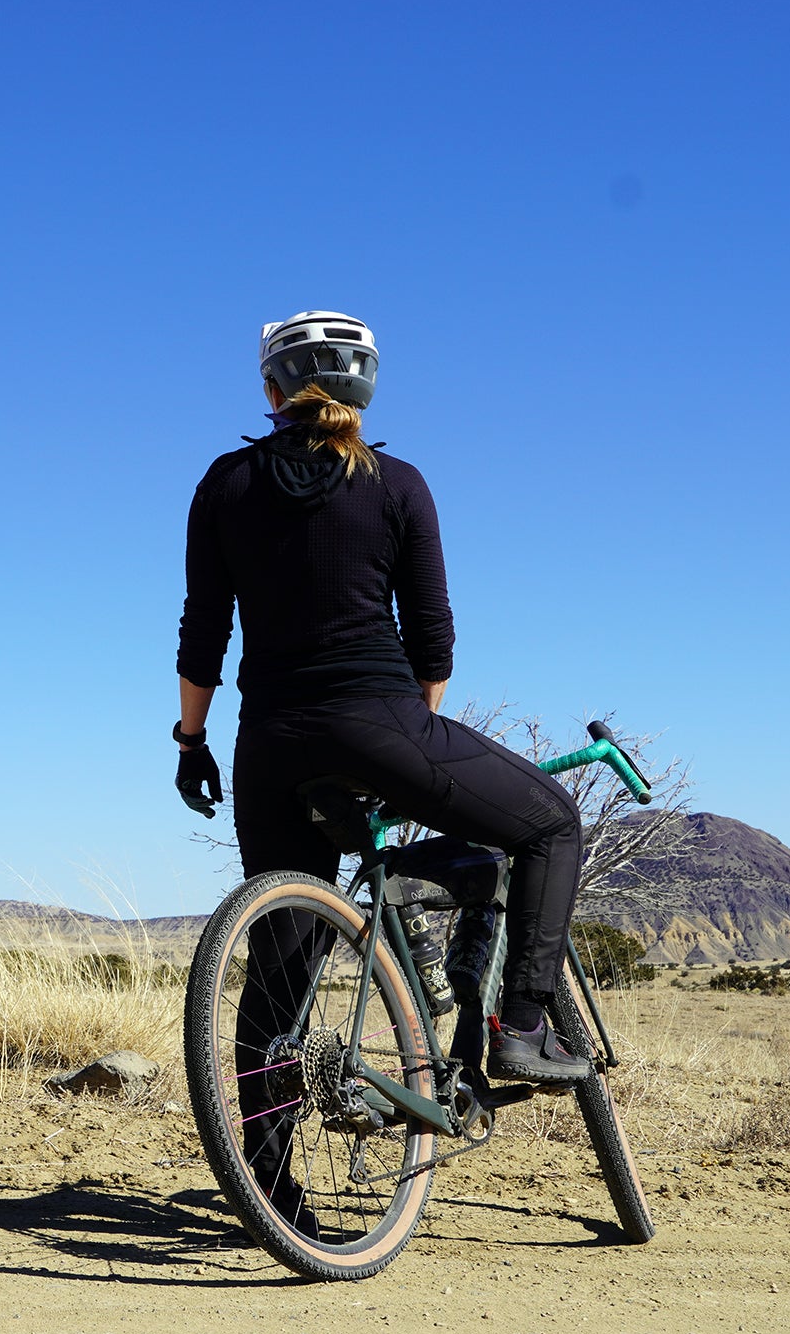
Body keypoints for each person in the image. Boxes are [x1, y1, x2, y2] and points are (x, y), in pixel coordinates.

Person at [171, 309, 592, 1087]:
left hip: (267, 747)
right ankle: (524, 1028)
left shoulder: (224, 485)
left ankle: (265, 1183)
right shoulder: (398, 485)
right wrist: (406, 752)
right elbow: (433, 643)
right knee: (554, 823)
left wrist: (190, 744)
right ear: (365, 390)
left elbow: (204, 637)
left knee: (281, 960)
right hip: (380, 724)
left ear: (272, 389)